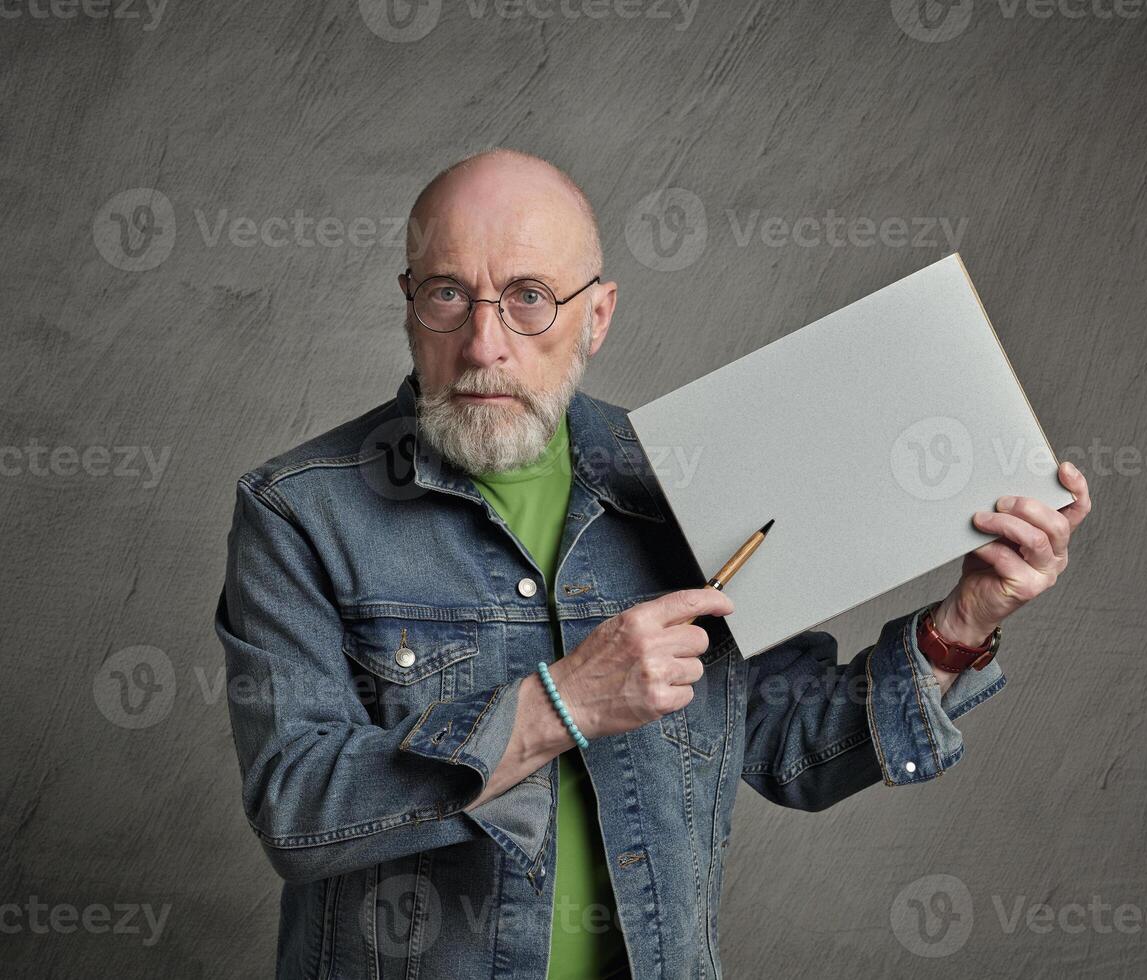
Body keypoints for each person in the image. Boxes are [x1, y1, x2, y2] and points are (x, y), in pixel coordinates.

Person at [214, 148, 1091, 979]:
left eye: (528, 298)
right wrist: (559, 704)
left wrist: (963, 623)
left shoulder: (683, 483)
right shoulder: (300, 510)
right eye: (449, 295)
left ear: (596, 316)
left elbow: (794, 748)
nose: (484, 345)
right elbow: (298, 813)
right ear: (410, 305)